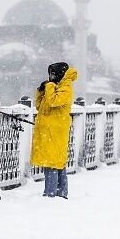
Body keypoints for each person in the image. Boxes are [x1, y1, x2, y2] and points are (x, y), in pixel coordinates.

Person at [30, 62, 77, 198]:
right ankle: (61, 193)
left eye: (53, 74)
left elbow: (53, 102)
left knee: (52, 163)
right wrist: (41, 91)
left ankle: (51, 194)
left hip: (55, 132)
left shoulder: (66, 88)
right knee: (56, 162)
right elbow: (40, 107)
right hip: (48, 132)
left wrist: (49, 86)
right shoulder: (56, 87)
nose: (50, 77)